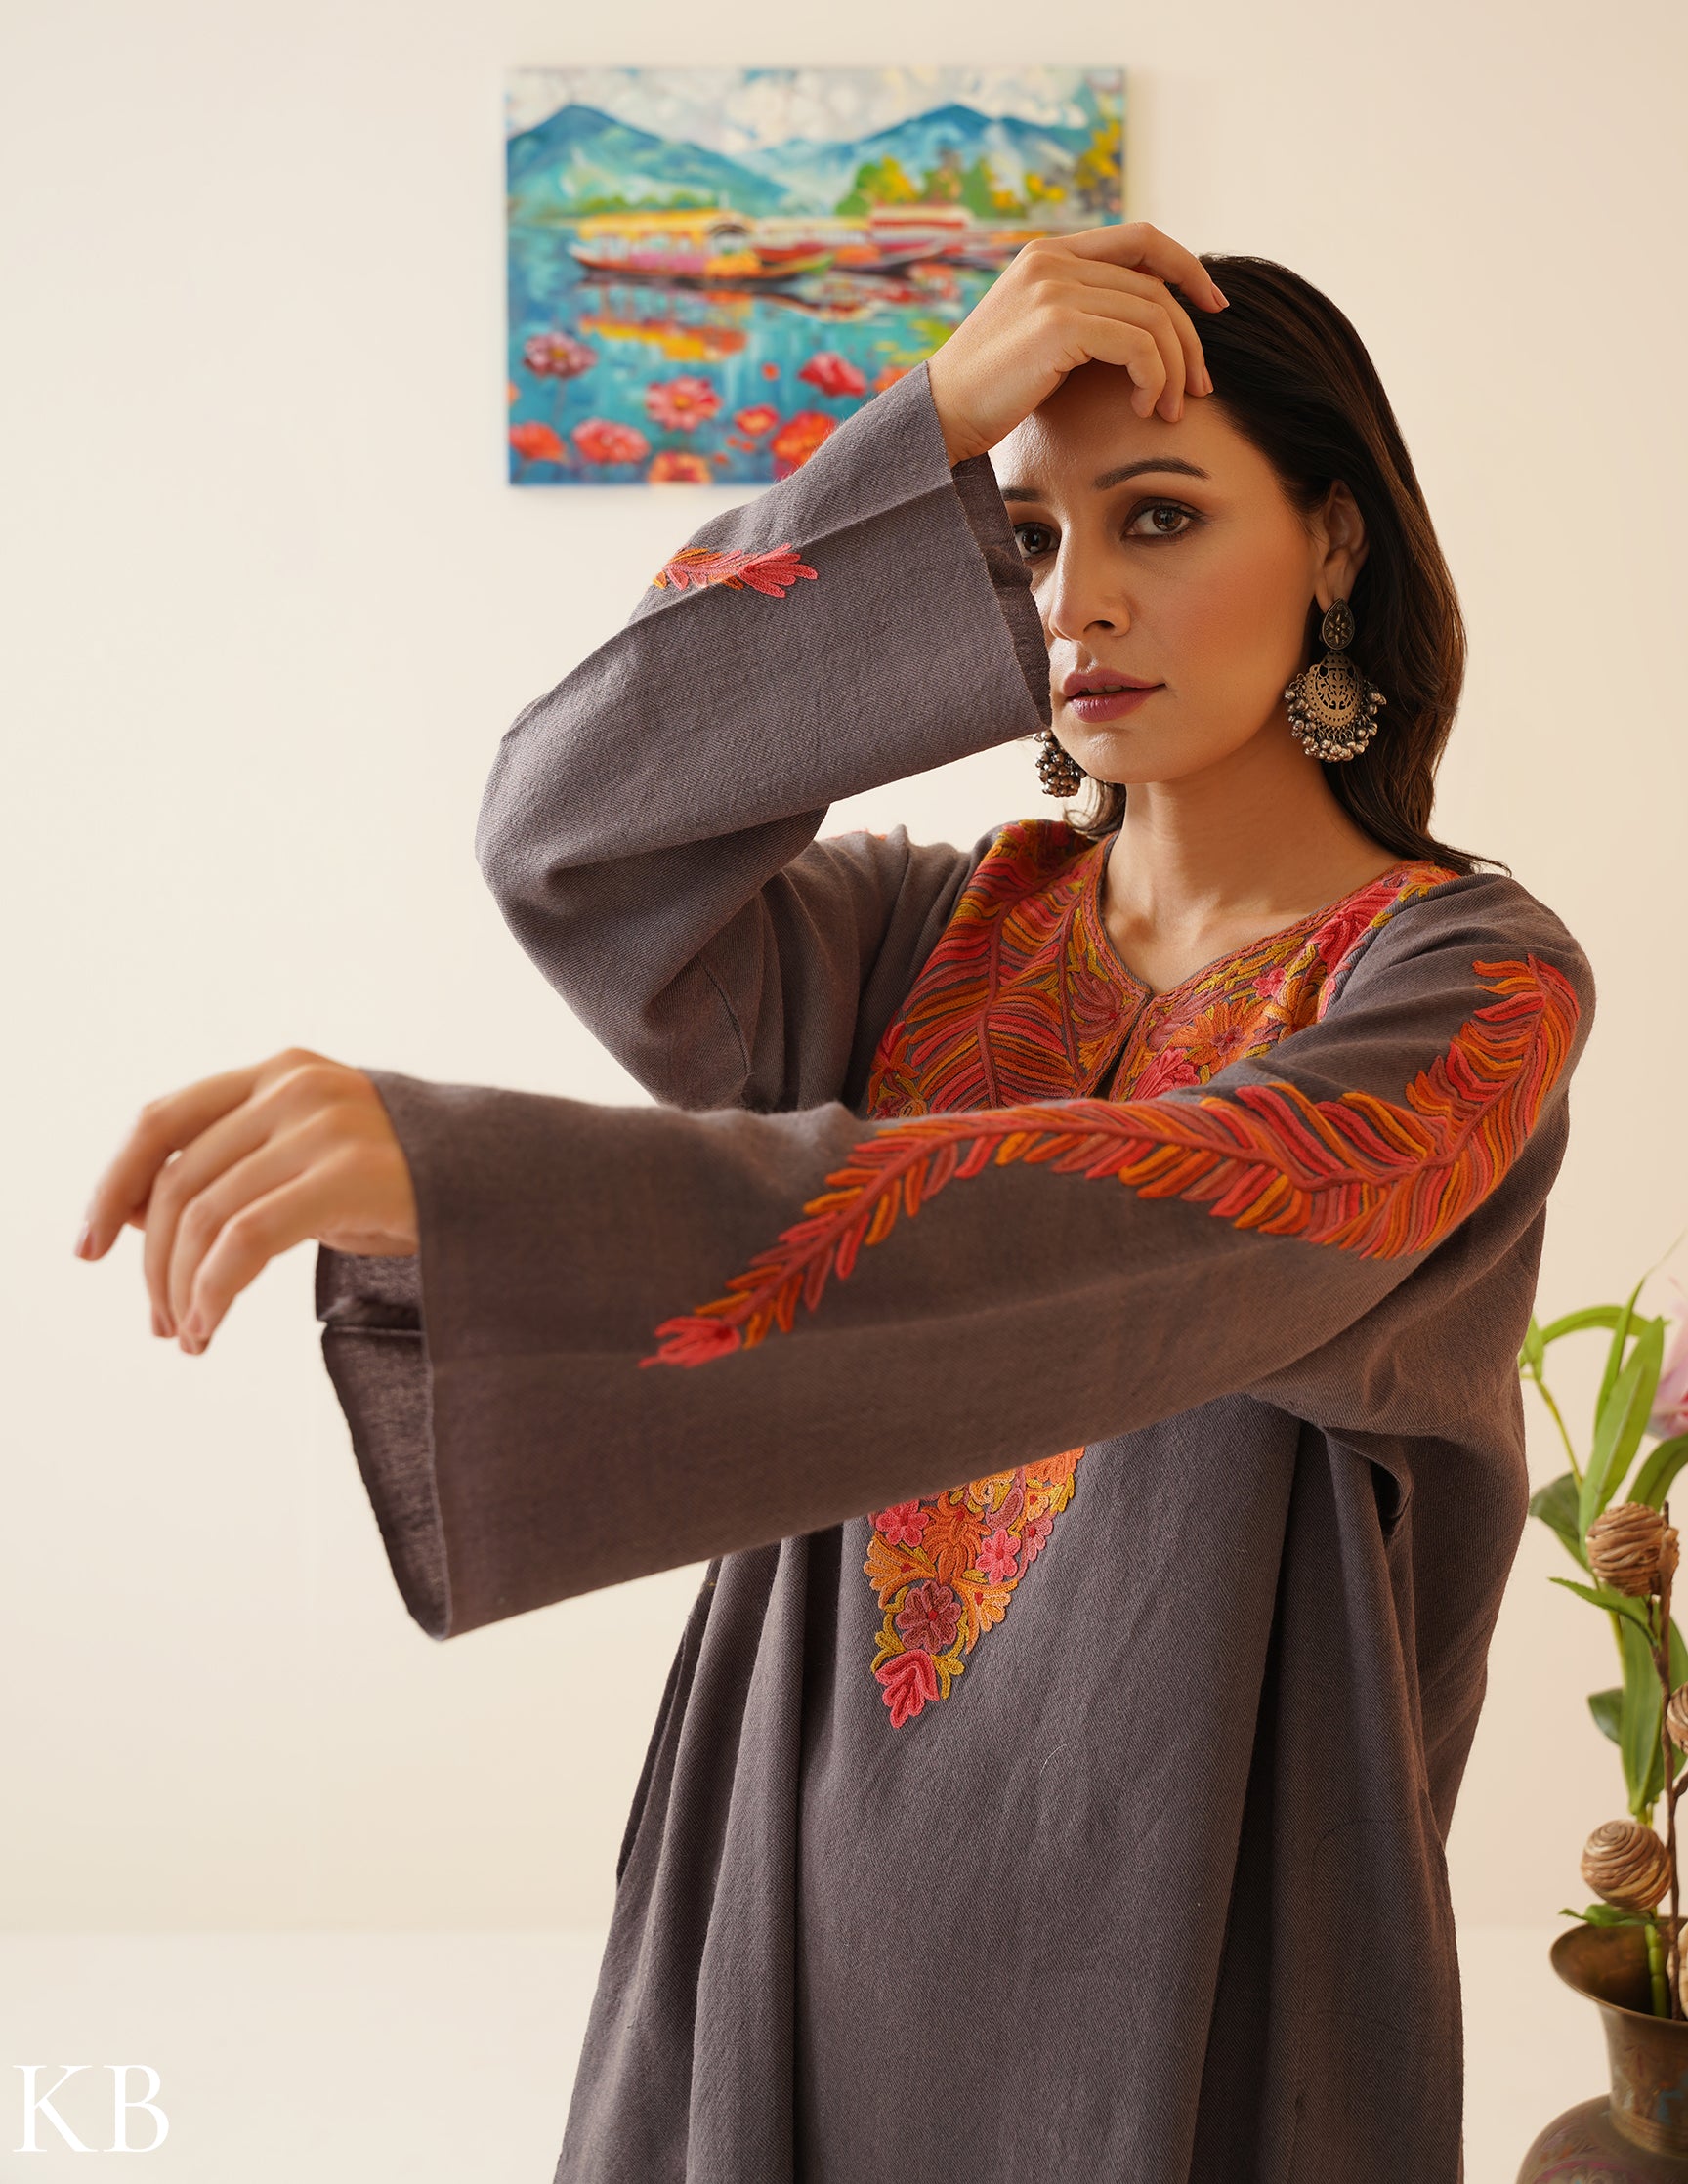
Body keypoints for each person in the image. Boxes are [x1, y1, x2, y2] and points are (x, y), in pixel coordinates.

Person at [75, 223, 1594, 2180]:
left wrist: (490, 1191)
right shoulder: (916, 936)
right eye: (1026, 537)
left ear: (1336, 541)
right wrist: (926, 418)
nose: (1078, 601)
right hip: (793, 1861)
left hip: (1202, 1912)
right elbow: (564, 831)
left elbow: (1152, 1224)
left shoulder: (1469, 988)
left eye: (1157, 516)